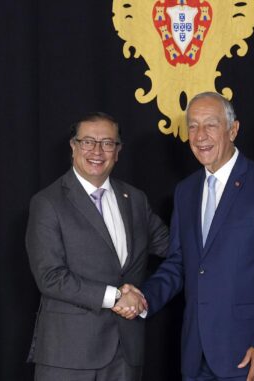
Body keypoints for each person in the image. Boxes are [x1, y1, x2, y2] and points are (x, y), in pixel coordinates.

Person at [117, 93, 254, 381]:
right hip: (197, 355)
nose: (200, 136)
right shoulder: (186, 191)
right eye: (192, 126)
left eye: (210, 125)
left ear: (233, 129)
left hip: (252, 356)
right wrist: (144, 299)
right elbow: (179, 263)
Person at [26, 112, 167, 381]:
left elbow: (171, 247)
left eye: (107, 143)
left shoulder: (135, 199)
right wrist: (115, 297)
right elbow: (50, 277)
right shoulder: (48, 203)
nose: (97, 151)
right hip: (68, 355)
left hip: (126, 354)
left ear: (118, 150)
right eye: (88, 142)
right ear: (73, 146)